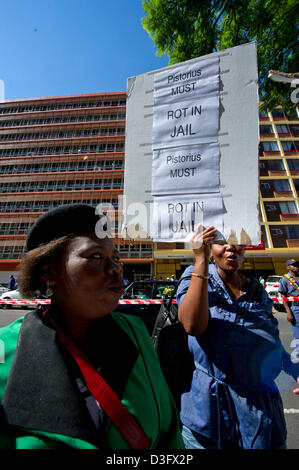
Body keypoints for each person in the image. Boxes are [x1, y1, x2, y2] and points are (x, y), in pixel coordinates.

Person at [0, 204, 184, 450]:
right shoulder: (5, 348)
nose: (115, 268)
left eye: (116, 258)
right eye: (96, 256)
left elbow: (169, 436)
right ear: (48, 272)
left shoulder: (136, 332)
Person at [176, 225, 299, 449]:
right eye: (222, 241)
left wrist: (295, 370)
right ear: (210, 248)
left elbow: (269, 346)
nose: (231, 247)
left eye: (237, 241)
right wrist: (200, 260)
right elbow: (193, 325)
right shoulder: (195, 277)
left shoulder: (256, 290)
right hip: (208, 422)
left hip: (260, 421)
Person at [278, 259, 299, 361]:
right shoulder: (285, 279)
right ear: (288, 267)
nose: (296, 266)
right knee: (297, 332)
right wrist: (288, 311)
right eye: (293, 265)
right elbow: (283, 296)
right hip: (295, 308)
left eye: (297, 264)